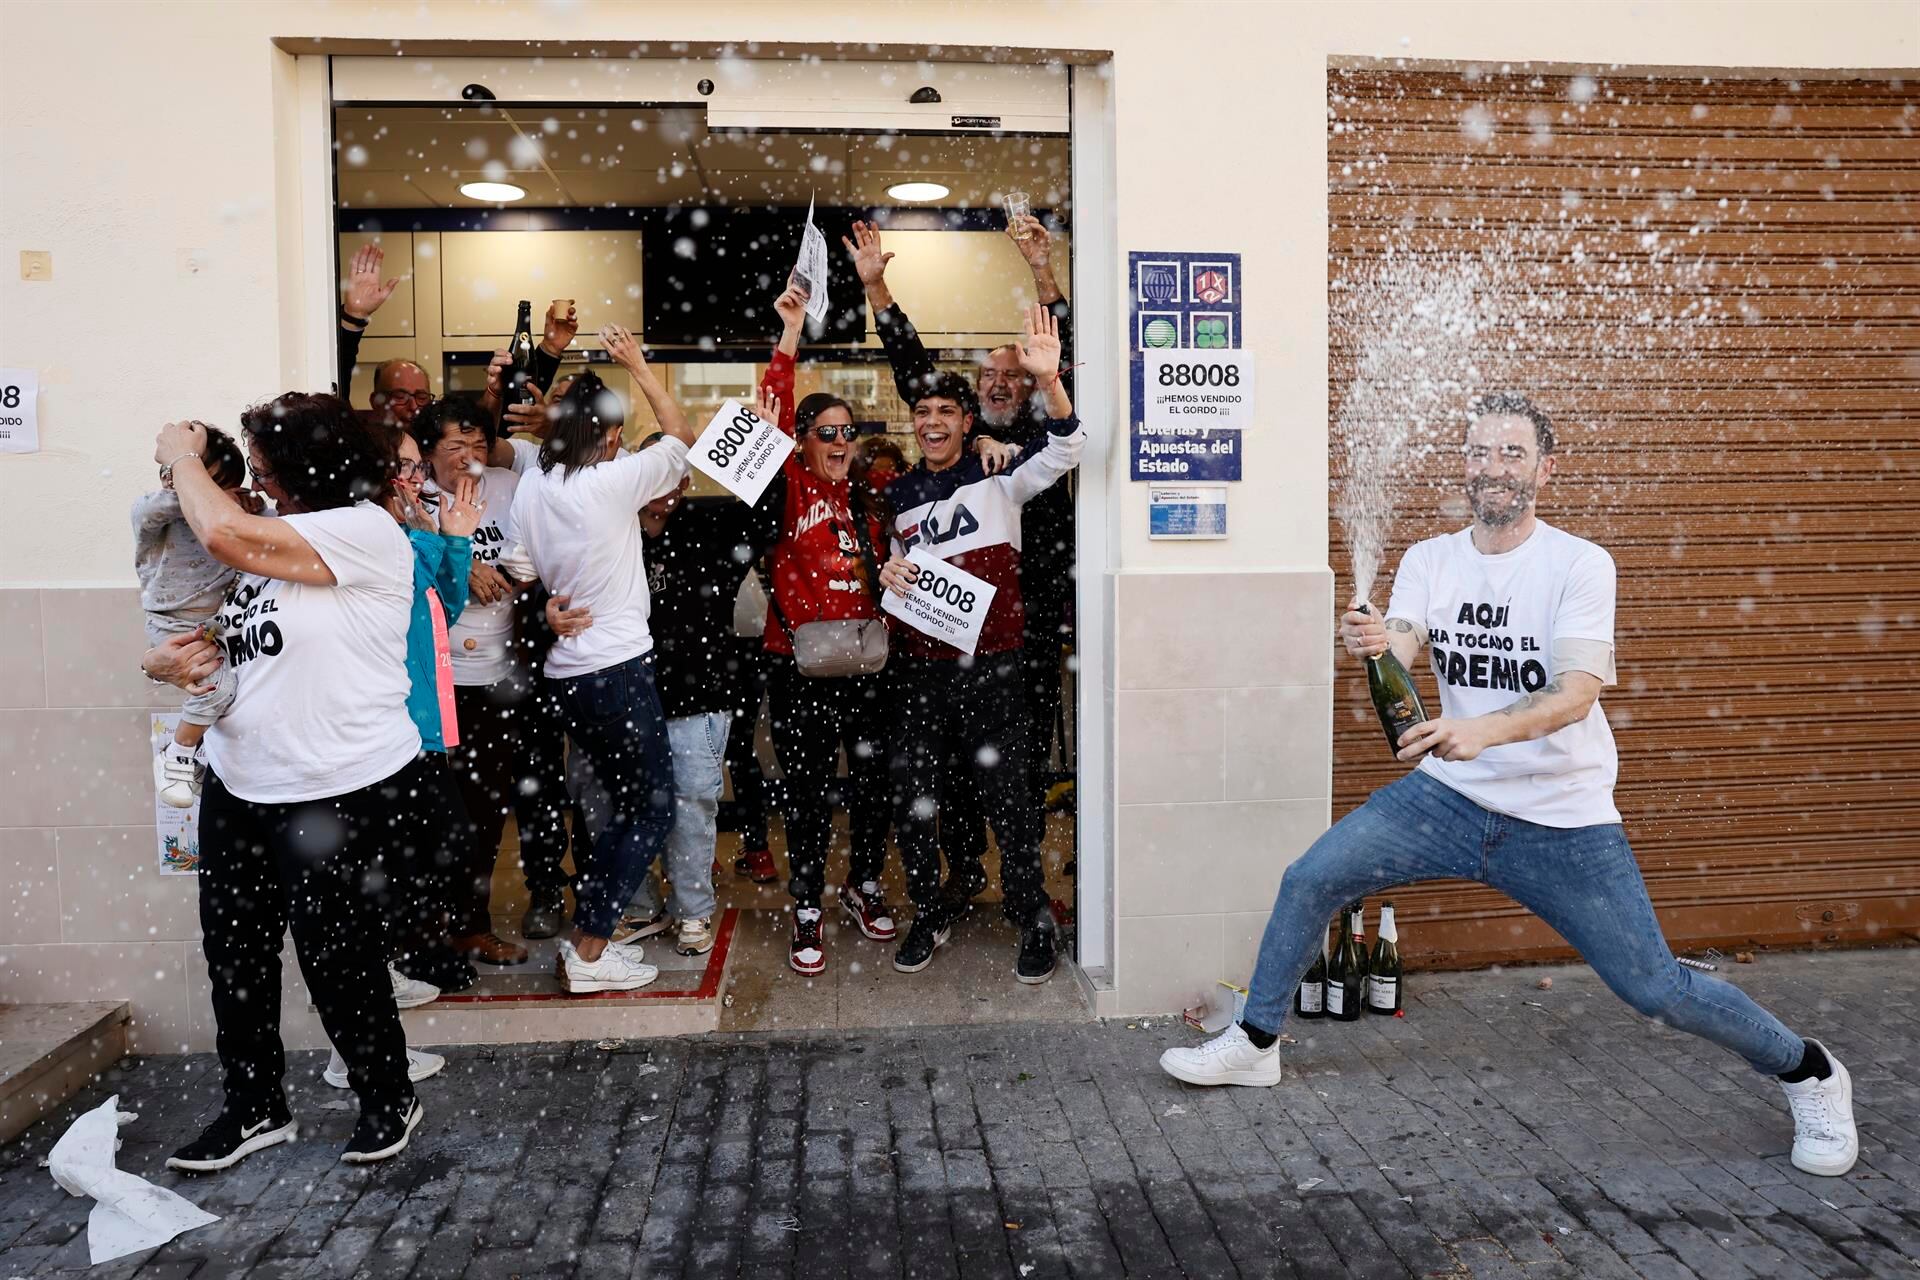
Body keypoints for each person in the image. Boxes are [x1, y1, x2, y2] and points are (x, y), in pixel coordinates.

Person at [1159, 394, 1860, 1179]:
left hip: (1563, 818)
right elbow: (1407, 638)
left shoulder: (1579, 564)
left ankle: (1811, 1072)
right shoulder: (1431, 558)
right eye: (1479, 452)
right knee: (1310, 877)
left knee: (1656, 989)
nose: (1493, 468)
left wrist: (1480, 730)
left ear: (1544, 471)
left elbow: (1576, 694)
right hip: (1448, 800)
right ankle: (1256, 1044)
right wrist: (1376, 638)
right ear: (1465, 465)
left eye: (1512, 454)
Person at [143, 397, 441, 1169]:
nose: (260, 479)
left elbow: (220, 529)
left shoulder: (365, 531)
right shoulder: (270, 543)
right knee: (234, 955)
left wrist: (181, 454)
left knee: (336, 955)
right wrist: (161, 664)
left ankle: (388, 1095)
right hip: (240, 783)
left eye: (267, 465)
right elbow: (206, 636)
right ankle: (255, 1108)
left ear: (309, 467)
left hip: (339, 786)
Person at [848, 216, 1076, 907]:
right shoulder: (952, 447)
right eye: (990, 376)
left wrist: (1040, 267)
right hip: (943, 639)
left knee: (1017, 772)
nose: (1001, 382)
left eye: (1013, 375)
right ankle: (965, 867)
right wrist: (878, 288)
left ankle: (1022, 891)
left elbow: (1058, 366)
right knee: (945, 769)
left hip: (1023, 635)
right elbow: (915, 372)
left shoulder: (1032, 441)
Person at [876, 303, 1085, 984]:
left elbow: (1067, 447)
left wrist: (1050, 383)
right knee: (915, 799)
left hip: (994, 668)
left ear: (969, 424)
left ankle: (1030, 916)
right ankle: (929, 912)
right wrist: (888, 569)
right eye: (923, 413)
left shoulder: (1002, 472)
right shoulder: (899, 492)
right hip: (919, 673)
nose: (932, 422)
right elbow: (892, 571)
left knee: (1012, 802)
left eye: (946, 413)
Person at [507, 326, 696, 994]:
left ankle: (589, 935)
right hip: (617, 671)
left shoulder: (533, 486)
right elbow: (681, 437)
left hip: (567, 676)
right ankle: (589, 949)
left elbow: (519, 566)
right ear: (613, 436)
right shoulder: (610, 484)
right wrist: (640, 365)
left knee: (615, 810)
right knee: (649, 811)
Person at [551, 436, 757, 958]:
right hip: (618, 694)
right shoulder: (602, 531)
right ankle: (636, 906)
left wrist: (763, 445)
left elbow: (767, 511)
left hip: (697, 694)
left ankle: (692, 912)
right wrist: (546, 614)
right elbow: (545, 588)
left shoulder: (710, 528)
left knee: (690, 804)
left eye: (674, 480)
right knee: (612, 806)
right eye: (653, 479)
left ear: (685, 484)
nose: (662, 492)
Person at [753, 287, 902, 976]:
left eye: (849, 432)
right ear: (803, 442)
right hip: (799, 668)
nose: (841, 443)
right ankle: (807, 902)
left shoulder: (872, 499)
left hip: (870, 670)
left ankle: (862, 882)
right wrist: (789, 335)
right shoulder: (787, 489)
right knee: (808, 794)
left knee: (874, 785)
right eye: (827, 433)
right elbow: (769, 418)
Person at [412, 396, 537, 967]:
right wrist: (462, 562)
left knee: (487, 812)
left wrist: (505, 573)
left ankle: (470, 926)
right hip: (434, 684)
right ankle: (422, 932)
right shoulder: (413, 500)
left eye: (478, 446)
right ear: (429, 452)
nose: (469, 458)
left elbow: (536, 548)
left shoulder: (512, 487)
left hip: (497, 678)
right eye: (455, 447)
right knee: (434, 814)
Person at [133, 426, 250, 807]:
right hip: (173, 622)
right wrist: (185, 468)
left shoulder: (230, 516)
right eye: (211, 483)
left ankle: (192, 753)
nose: (216, 496)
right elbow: (166, 505)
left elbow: (265, 519)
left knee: (227, 692)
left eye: (226, 486)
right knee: (219, 688)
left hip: (216, 623)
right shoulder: (155, 509)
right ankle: (177, 753)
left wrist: (244, 501)